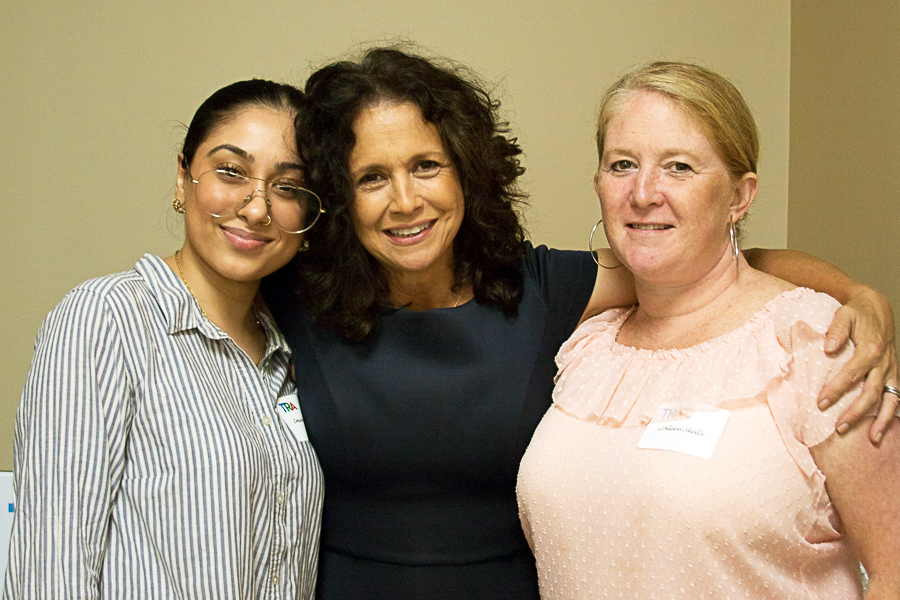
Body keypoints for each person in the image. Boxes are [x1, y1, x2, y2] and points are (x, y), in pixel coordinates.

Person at [261, 47, 897, 600]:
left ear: (465, 171)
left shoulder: (538, 293)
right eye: (372, 177)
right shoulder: (296, 299)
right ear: (340, 194)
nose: (405, 200)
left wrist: (858, 295)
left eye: (426, 166)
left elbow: (716, 261)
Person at [516, 62, 900, 599]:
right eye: (622, 164)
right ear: (598, 184)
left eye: (679, 167)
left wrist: (863, 297)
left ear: (740, 197)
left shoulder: (815, 341)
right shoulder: (586, 349)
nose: (644, 192)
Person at [4, 80, 326, 599]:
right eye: (230, 172)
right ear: (183, 177)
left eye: (288, 187)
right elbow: (50, 568)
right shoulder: (106, 319)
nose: (257, 208)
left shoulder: (287, 351)